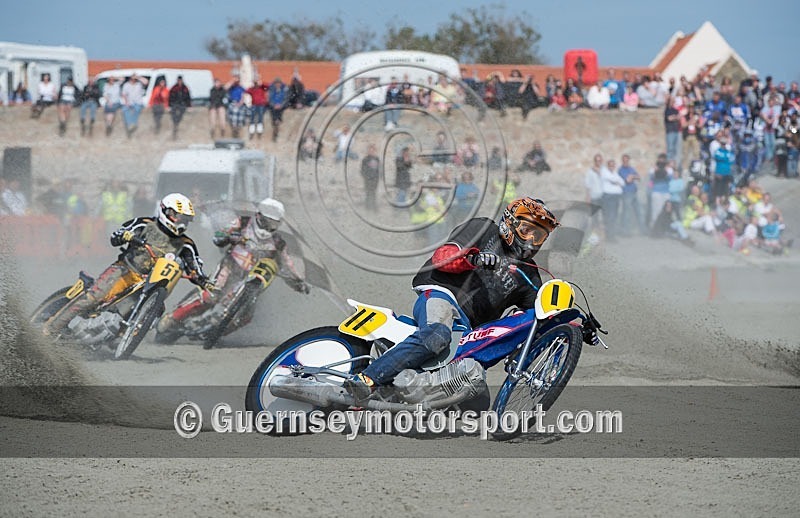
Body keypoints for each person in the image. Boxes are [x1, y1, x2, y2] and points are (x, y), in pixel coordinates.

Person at [344, 197, 597, 401]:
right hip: (442, 295)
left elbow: (537, 321)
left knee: (476, 401)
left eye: (539, 236)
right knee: (436, 335)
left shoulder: (528, 274)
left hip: (467, 332)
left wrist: (573, 327)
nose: (531, 240)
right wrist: (473, 259)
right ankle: (367, 379)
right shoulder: (485, 229)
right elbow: (443, 256)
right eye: (526, 230)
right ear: (509, 224)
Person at [44, 193, 214, 336]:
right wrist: (126, 236)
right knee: (94, 297)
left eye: (185, 219)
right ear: (166, 211)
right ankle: (51, 328)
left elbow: (195, 266)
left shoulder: (186, 244)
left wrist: (204, 280)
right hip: (125, 271)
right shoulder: (145, 223)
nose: (181, 222)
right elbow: (115, 236)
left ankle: (117, 335)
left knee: (158, 309)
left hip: (151, 284)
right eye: (178, 217)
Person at [157, 198, 308, 345]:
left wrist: (298, 283)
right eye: (266, 221)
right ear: (258, 216)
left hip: (253, 280)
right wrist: (228, 237)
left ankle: (216, 331)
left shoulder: (278, 243)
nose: (268, 226)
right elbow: (219, 236)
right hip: (230, 267)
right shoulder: (242, 223)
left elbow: (287, 265)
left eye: (273, 224)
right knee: (210, 295)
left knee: (246, 317)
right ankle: (172, 319)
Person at [168, 76, 191, 140]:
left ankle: (177, 122)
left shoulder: (185, 88)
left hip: (182, 104)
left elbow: (188, 98)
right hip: (175, 104)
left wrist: (189, 105)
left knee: (181, 111)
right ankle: (175, 122)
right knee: (173, 112)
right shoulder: (174, 88)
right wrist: (170, 105)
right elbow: (170, 97)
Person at [360, 144, 381, 211]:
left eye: (373, 150)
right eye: (370, 150)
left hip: (375, 180)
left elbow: (379, 169)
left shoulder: (377, 159)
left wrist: (378, 177)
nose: (371, 151)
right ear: (368, 151)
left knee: (374, 193)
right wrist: (366, 177)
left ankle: (374, 208)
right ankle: (368, 208)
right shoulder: (365, 159)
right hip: (368, 180)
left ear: (374, 151)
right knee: (368, 193)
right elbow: (362, 170)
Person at [267, 77, 287, 142]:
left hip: (280, 107)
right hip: (274, 107)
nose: (278, 85)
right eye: (276, 83)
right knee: (274, 113)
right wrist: (274, 105)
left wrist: (281, 105)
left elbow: (285, 99)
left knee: (279, 113)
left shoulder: (283, 91)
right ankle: (276, 121)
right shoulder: (272, 91)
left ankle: (278, 120)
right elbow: (270, 99)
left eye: (279, 83)